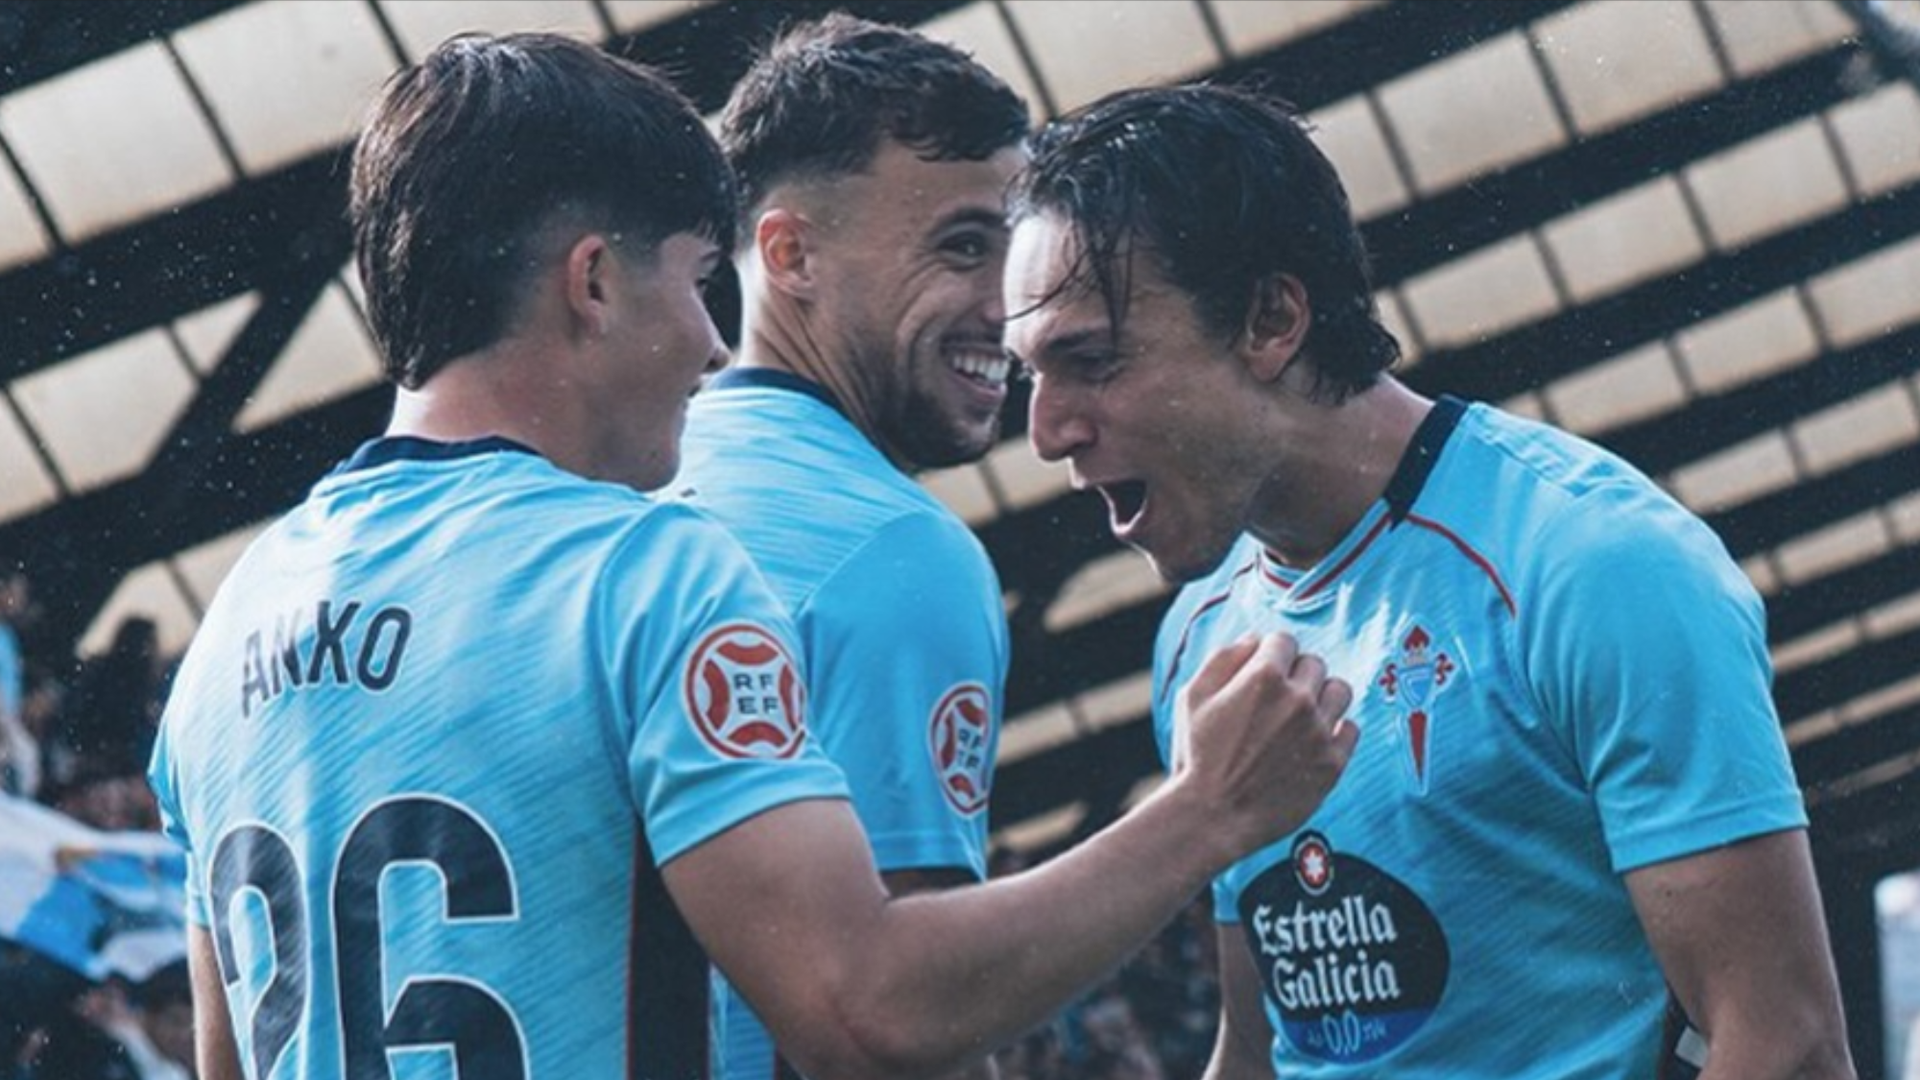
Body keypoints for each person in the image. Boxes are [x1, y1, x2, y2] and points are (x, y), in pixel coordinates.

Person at [147, 34, 1358, 1080]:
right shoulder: (640, 570)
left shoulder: (228, 635)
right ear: (595, 283)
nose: (710, 348)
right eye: (694, 285)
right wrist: (1208, 810)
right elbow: (865, 1012)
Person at [1001, 83, 1855, 1080]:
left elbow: (1784, 1043)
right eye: (1030, 378)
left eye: (1091, 360)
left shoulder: (1590, 565)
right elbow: (1265, 1054)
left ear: (1272, 319)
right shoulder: (1201, 637)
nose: (1046, 431)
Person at [676, 14, 1026, 1078]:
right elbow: (909, 1032)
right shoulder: (891, 550)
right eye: (965, 246)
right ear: (789, 254)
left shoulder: (614, 492)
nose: (1011, 306)